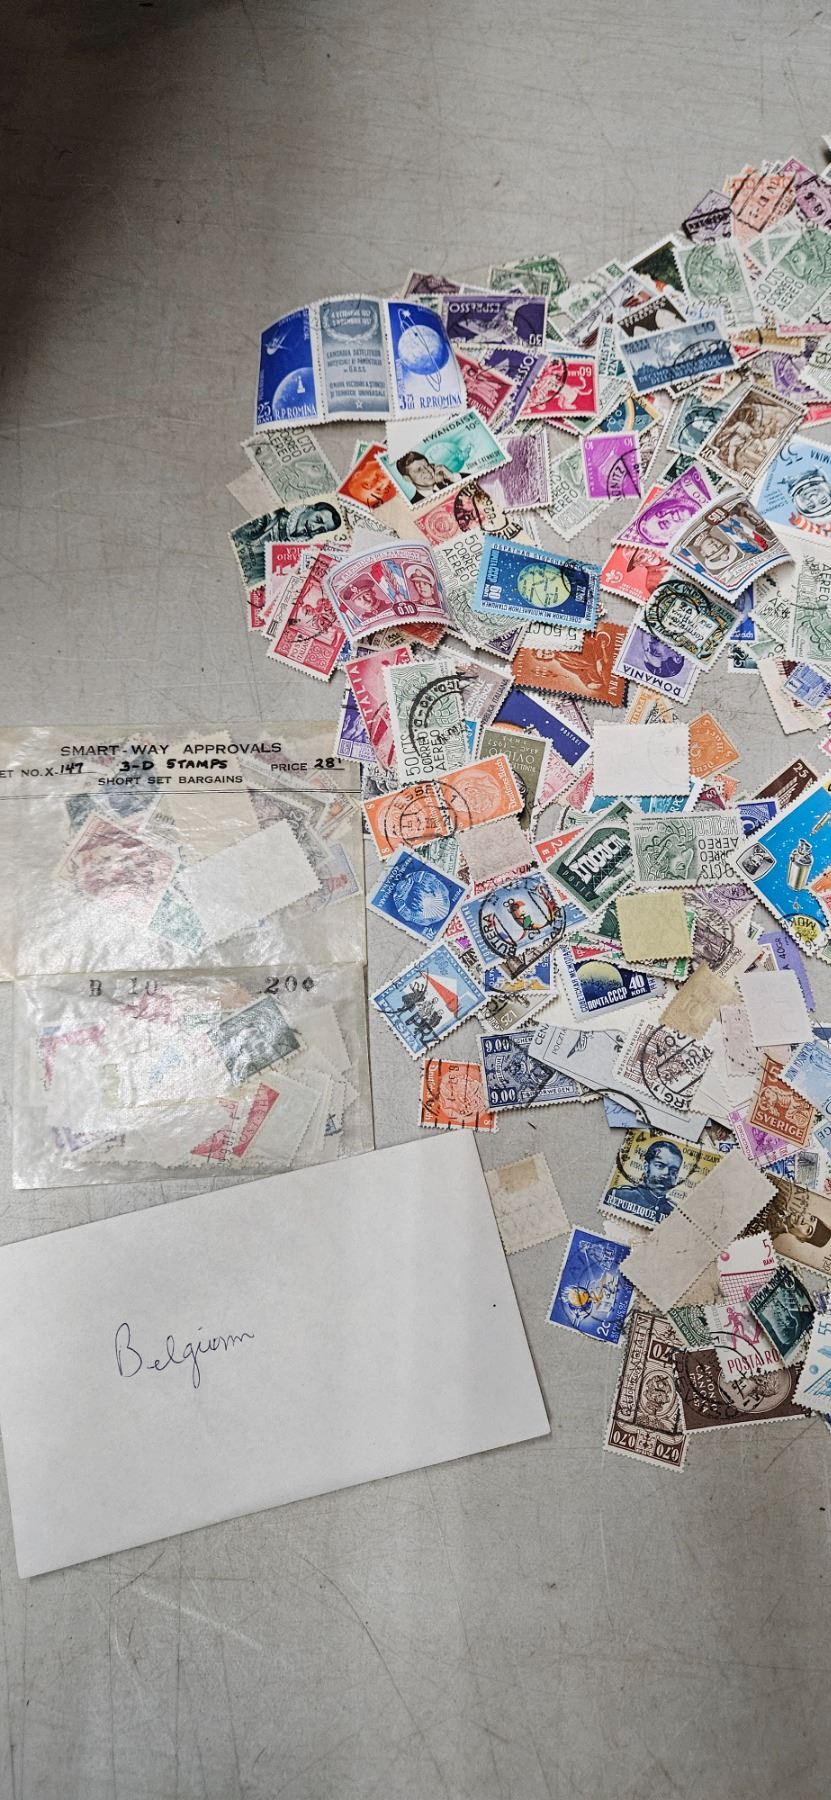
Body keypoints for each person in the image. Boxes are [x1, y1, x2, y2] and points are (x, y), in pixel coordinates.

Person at [612, 1139, 684, 1221]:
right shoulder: (619, 1195)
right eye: (660, 1166)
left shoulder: (674, 1213)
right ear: (646, 1167)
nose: (666, 1174)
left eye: (673, 1171)